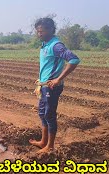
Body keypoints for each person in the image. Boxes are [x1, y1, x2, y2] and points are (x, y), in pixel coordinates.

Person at [29, 17, 80, 153]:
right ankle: (43, 142)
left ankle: (50, 146)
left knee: (49, 115)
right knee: (42, 113)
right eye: (38, 31)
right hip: (44, 86)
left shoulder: (56, 45)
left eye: (42, 31)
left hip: (52, 87)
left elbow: (74, 59)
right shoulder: (45, 44)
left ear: (51, 30)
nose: (40, 34)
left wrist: (58, 79)